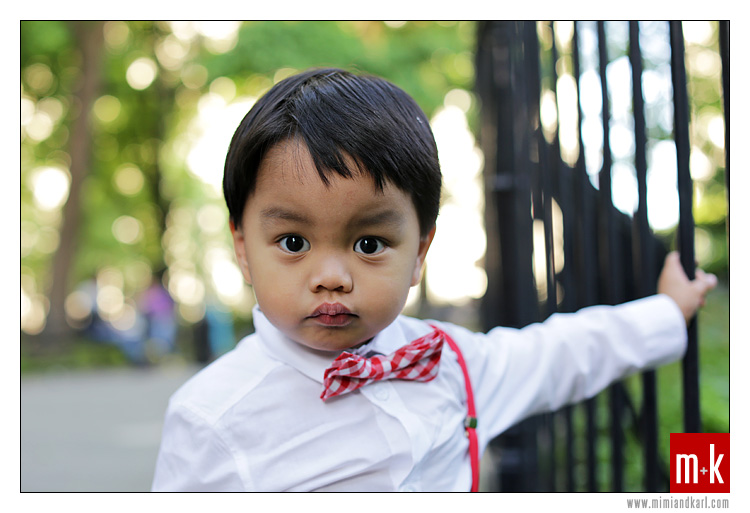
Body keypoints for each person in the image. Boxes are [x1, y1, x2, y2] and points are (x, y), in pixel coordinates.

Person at [151, 68, 717, 492]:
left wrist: (666, 312)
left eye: (369, 244)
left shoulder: (449, 361)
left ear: (420, 252)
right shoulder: (212, 416)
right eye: (293, 243)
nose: (331, 277)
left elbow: (561, 354)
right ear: (243, 249)